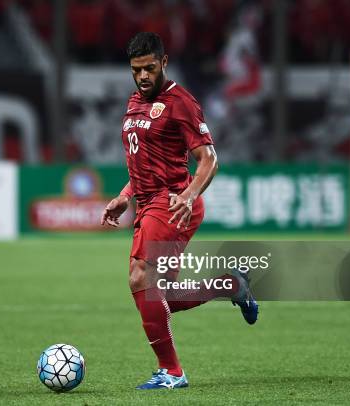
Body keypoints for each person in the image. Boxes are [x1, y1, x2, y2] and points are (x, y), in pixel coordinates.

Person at [101, 32, 258, 390]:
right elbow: (143, 160)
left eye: (149, 68)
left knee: (141, 277)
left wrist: (187, 195)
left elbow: (209, 159)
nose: (143, 76)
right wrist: (125, 195)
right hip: (148, 203)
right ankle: (230, 284)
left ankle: (171, 372)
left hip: (171, 203)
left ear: (164, 63)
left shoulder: (181, 102)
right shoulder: (134, 103)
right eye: (136, 70)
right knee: (164, 296)